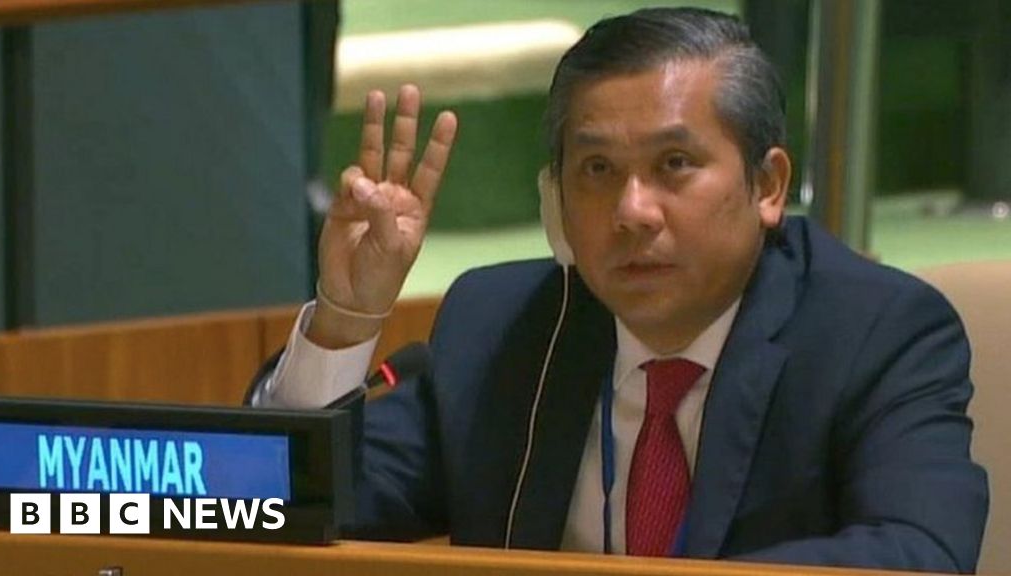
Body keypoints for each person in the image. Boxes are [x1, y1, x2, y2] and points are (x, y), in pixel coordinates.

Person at [255, 7, 988, 573]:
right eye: (598, 170)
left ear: (767, 186)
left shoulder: (875, 331)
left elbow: (919, 554)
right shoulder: (503, 326)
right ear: (557, 196)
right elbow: (278, 508)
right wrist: (346, 317)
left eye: (674, 164)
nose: (632, 211)